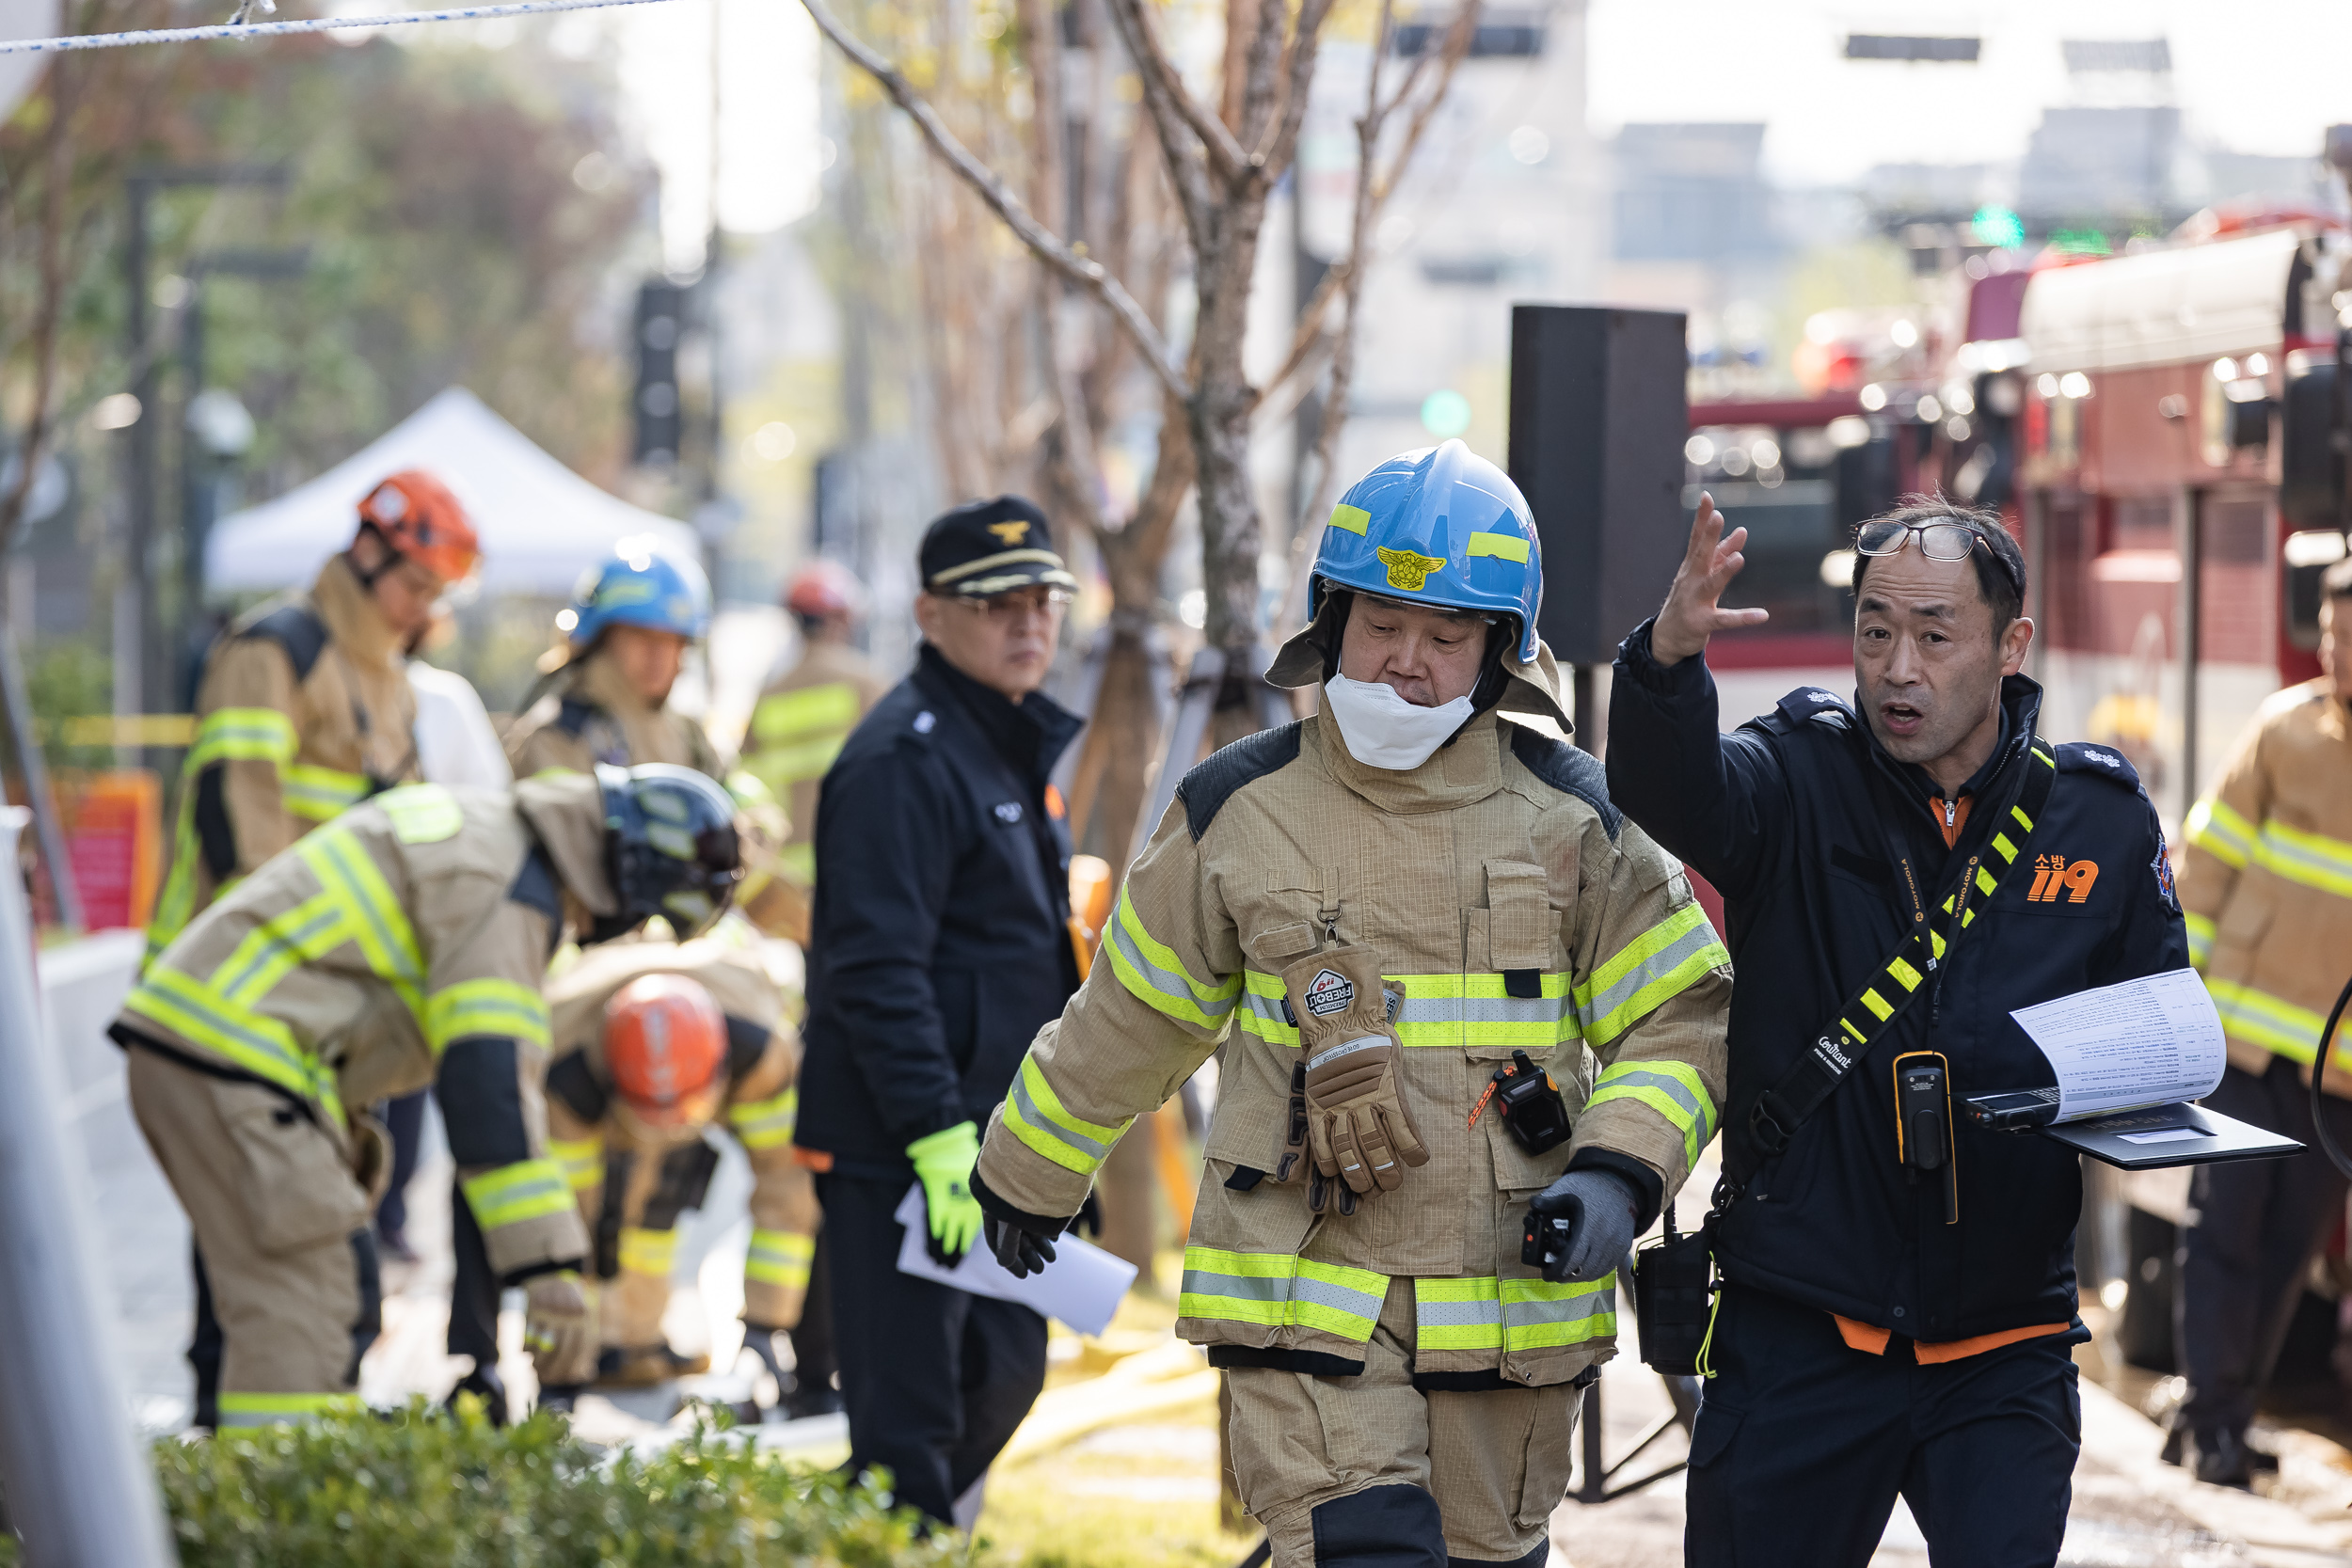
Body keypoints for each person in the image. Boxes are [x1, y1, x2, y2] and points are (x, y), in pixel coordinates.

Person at [975, 440, 1733, 1568]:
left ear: (1498, 653)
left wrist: (1616, 1170)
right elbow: (1135, 1010)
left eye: (1444, 637)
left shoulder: (1577, 817)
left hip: (1509, 1304)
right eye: (1381, 626)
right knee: (1362, 1550)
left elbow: (1682, 1019)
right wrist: (1028, 1170)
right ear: (1330, 620)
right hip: (1307, 1298)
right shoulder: (1237, 806)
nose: (1405, 666)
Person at [1606, 495, 2188, 1567]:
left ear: (2010, 645)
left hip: (2002, 1344)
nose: (1896, 667)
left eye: (1932, 633)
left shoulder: (2097, 818)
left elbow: (2156, 1015)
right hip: (1802, 1330)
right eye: (1874, 630)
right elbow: (1665, 789)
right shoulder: (1793, 778)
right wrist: (1667, 655)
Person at [110, 764, 742, 1430]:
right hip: (235, 1057)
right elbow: (487, 1085)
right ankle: (269, 1511)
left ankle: (249, 1475)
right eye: (642, 913)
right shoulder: (507, 891)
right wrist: (549, 1266)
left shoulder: (494, 840)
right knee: (305, 1306)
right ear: (624, 874)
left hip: (221, 1048)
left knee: (323, 1292)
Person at [792, 495, 1085, 1528]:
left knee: (1006, 1374)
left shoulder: (998, 742)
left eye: (1042, 598)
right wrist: (931, 1134)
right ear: (928, 614)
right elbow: (873, 970)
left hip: (998, 1145)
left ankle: (888, 1539)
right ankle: (888, 1541)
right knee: (907, 1418)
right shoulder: (901, 758)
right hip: (905, 1153)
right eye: (995, 602)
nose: (1027, 622)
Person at [2169, 554, 2352, 1484]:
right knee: (2223, 1231)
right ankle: (2211, 1419)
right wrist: (2176, 996)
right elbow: (2206, 866)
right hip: (2245, 1038)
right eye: (2331, 632)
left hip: (2340, 1070)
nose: (2339, 649)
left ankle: (2225, 1408)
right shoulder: (2284, 730)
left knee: (2286, 1252)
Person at [147, 470, 480, 969]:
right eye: (416, 587)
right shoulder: (272, 652)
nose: (425, 610)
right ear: (368, 553)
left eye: (437, 595)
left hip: (323, 981)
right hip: (220, 974)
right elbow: (241, 821)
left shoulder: (391, 681)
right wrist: (298, 959)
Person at [534, 927, 823, 1409]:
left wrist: (765, 1323)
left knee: (665, 1197)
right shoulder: (569, 1073)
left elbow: (787, 1195)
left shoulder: (761, 1057)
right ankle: (617, 1345)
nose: (670, 1132)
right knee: (603, 1216)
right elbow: (569, 1217)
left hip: (700, 1060)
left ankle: (637, 1338)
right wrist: (566, 1355)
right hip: (607, 1089)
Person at [506, 536, 723, 782]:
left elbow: (732, 797)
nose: (658, 655)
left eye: (671, 640)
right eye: (642, 635)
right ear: (601, 639)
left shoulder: (689, 735)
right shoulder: (558, 737)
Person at [746, 559, 888, 898]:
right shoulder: (867, 684)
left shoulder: (768, 696)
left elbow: (747, 786)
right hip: (858, 868)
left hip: (790, 883)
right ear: (841, 619)